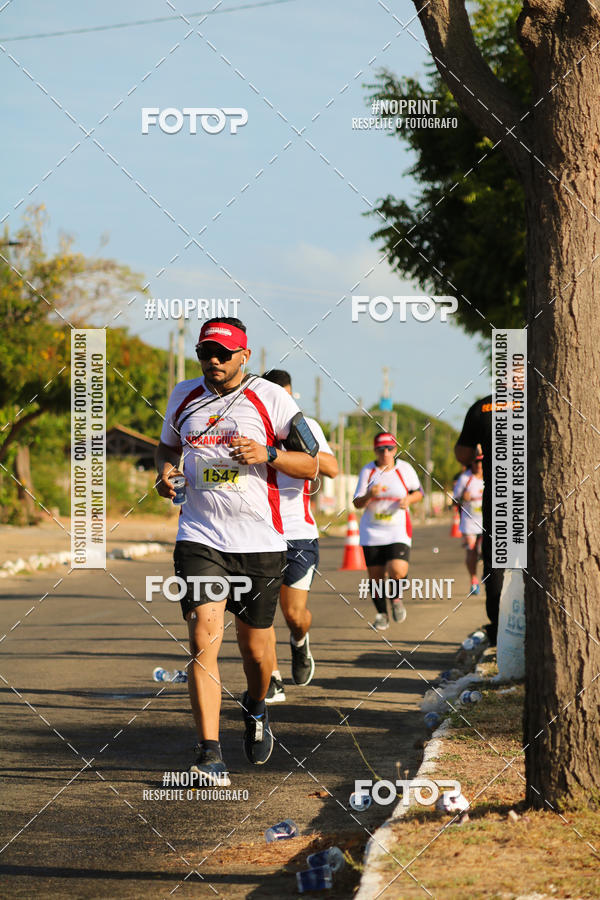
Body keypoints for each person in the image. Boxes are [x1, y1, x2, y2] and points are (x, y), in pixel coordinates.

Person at [155, 318, 319, 782]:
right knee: (203, 634)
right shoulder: (183, 396)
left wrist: (268, 455)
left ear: (244, 356)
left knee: (255, 650)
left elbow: (311, 463)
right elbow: (166, 448)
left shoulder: (272, 398)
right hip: (200, 536)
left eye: (223, 354)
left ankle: (256, 703)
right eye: (207, 351)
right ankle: (209, 752)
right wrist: (166, 475)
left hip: (261, 542)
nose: (214, 361)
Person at [260, 369, 338, 703]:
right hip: (256, 534)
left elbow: (332, 469)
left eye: (286, 397)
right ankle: (272, 678)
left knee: (293, 614)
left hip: (298, 534)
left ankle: (299, 641)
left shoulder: (305, 426)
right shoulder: (252, 422)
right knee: (260, 612)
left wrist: (295, 450)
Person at [352, 433, 423, 630]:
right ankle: (382, 614)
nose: (385, 453)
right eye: (381, 449)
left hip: (397, 529)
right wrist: (369, 495)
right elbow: (357, 503)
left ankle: (397, 598)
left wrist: (408, 500)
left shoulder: (404, 469)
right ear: (375, 451)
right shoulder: (368, 471)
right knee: (376, 578)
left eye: (389, 449)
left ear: (395, 450)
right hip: (372, 530)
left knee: (398, 570)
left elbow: (419, 492)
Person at [455, 395, 505, 645]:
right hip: (538, 491)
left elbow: (463, 454)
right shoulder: (542, 395)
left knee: (497, 562)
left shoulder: (484, 406)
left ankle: (499, 631)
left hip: (498, 493)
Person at [453, 449, 484, 594]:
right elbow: (454, 500)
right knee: (471, 552)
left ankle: (488, 572)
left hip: (486, 522)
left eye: (481, 461)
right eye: (476, 462)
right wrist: (462, 498)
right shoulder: (465, 479)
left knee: (484, 550)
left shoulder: (491, 475)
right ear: (471, 463)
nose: (479, 465)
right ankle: (474, 580)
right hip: (469, 523)